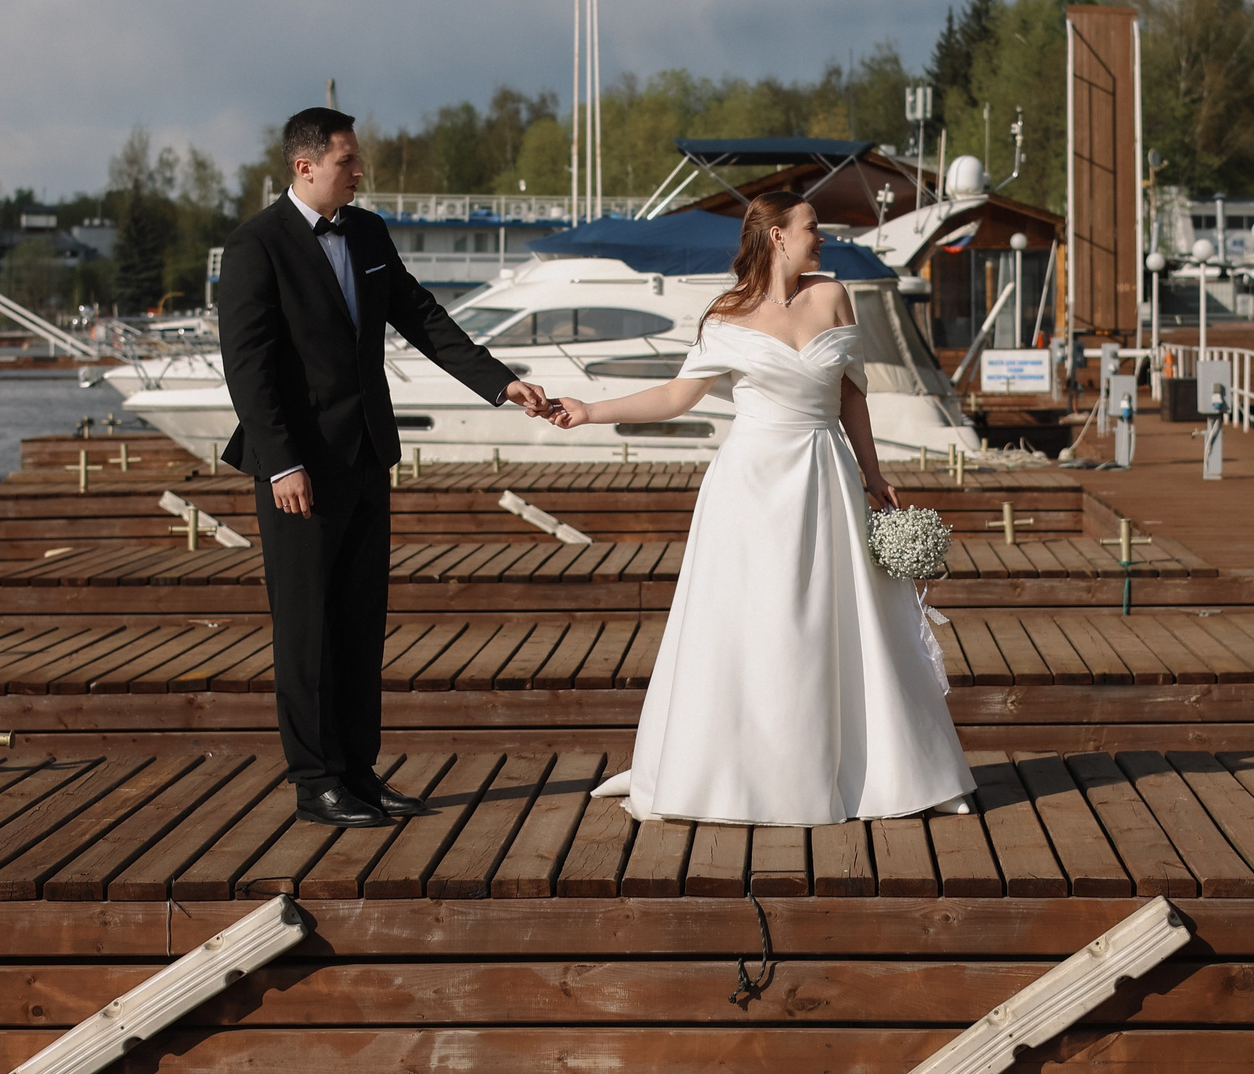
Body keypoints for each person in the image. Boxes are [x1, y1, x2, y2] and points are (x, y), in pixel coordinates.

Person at [545, 192, 974, 826]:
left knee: (850, 621)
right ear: (776, 236)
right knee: (751, 625)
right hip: (749, 489)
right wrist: (590, 411)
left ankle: (903, 774)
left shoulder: (832, 296)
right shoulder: (726, 315)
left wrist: (873, 472)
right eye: (812, 227)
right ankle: (719, 771)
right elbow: (675, 397)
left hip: (825, 473)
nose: (821, 237)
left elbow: (853, 397)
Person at [218, 106, 556, 827]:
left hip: (368, 455)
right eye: (348, 159)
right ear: (304, 165)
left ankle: (359, 772)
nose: (359, 170)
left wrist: (501, 381)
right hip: (298, 472)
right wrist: (282, 466)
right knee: (307, 629)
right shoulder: (255, 246)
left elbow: (423, 315)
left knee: (360, 622)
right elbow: (248, 372)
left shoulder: (366, 231)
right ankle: (316, 781)